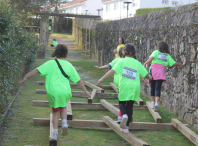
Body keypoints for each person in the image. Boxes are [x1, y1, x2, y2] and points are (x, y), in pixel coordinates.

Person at [17, 44, 91, 140]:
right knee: (63, 107)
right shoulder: (69, 65)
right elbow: (79, 80)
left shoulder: (50, 63)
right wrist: (85, 91)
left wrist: (25, 77)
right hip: (65, 91)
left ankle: (55, 134)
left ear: (55, 54)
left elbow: (36, 70)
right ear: (67, 54)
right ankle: (64, 124)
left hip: (53, 91)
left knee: (55, 112)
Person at [97, 43, 152, 133]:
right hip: (134, 87)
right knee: (130, 106)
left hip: (124, 85)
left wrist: (101, 79)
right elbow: (146, 75)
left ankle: (124, 115)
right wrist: (151, 77)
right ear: (133, 52)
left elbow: (112, 71)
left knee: (122, 103)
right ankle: (126, 128)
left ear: (123, 52)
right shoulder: (137, 63)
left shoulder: (121, 62)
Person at [143, 41, 186, 112]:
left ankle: (153, 103)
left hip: (153, 71)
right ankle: (157, 103)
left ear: (159, 47)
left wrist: (145, 63)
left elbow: (151, 58)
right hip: (161, 73)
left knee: (152, 87)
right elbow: (174, 63)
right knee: (158, 88)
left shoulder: (156, 52)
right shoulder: (167, 56)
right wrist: (182, 64)